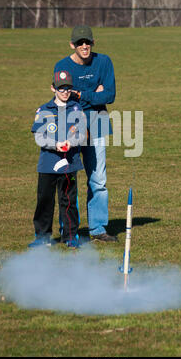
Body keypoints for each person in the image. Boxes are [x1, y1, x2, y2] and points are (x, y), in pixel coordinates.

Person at [54, 25, 118, 242]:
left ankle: (98, 229)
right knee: (68, 179)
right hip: (71, 128)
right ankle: (69, 230)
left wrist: (80, 93)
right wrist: (93, 94)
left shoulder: (104, 62)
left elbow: (109, 95)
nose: (84, 46)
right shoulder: (62, 66)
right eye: (80, 43)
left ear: (92, 43)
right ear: (72, 44)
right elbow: (62, 97)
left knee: (98, 180)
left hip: (98, 127)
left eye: (87, 42)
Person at [28, 70, 87, 249]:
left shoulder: (77, 109)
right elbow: (39, 137)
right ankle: (42, 237)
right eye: (61, 88)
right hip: (47, 165)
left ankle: (70, 236)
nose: (65, 92)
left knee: (68, 200)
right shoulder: (44, 110)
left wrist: (71, 142)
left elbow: (82, 134)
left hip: (69, 165)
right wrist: (56, 145)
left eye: (68, 88)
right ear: (53, 88)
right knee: (45, 200)